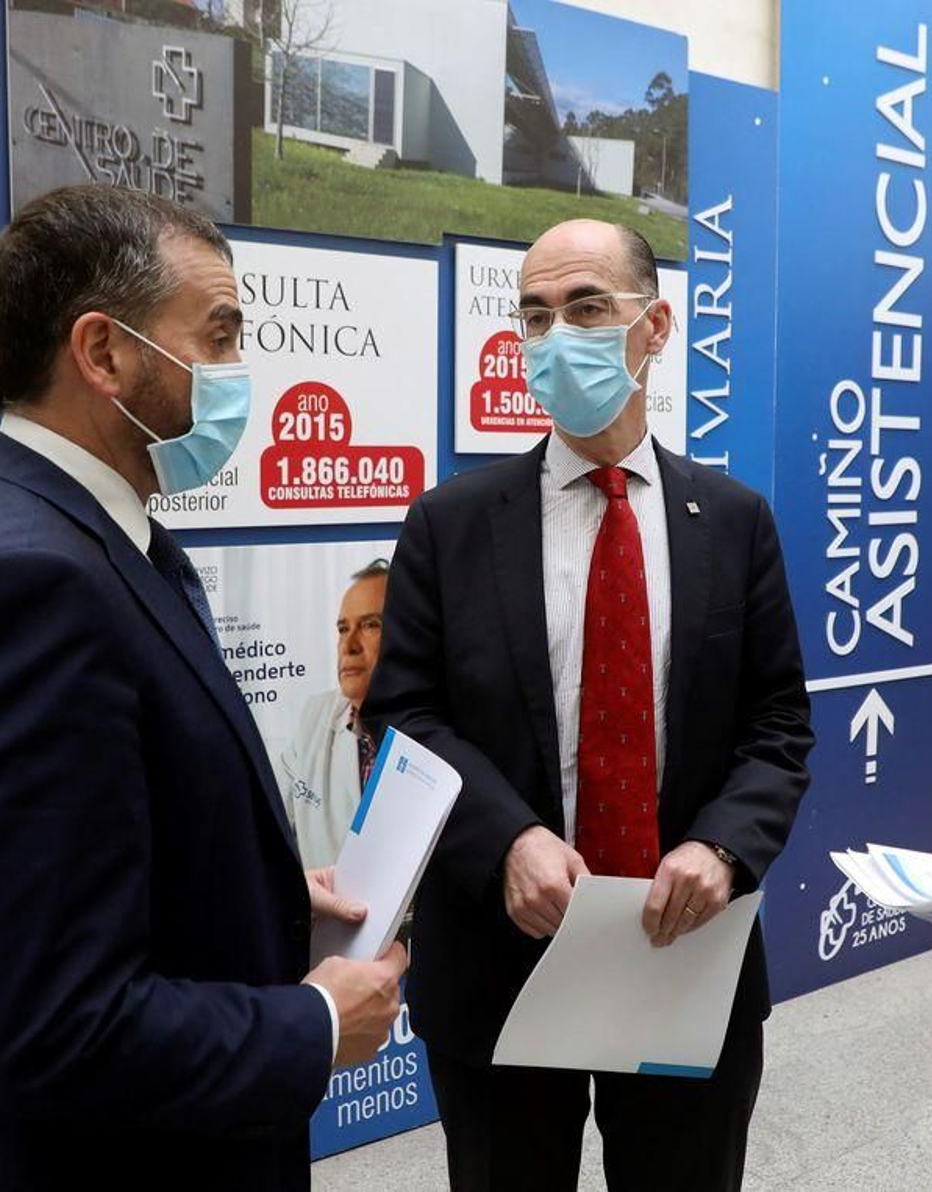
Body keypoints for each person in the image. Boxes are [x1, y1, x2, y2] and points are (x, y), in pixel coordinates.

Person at [0, 185, 407, 1191]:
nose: (239, 371)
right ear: (103, 353)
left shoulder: (64, 531)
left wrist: (263, 898)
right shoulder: (27, 591)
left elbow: (86, 854)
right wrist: (316, 1022)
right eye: (219, 335)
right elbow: (53, 1024)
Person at [367, 218, 814, 1191]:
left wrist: (722, 848)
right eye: (534, 315)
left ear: (655, 327)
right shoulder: (450, 524)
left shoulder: (734, 522)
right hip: (501, 959)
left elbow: (778, 723)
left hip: (683, 953)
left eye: (585, 307)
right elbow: (402, 714)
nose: (555, 335)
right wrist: (505, 841)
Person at [278, 558, 390, 868]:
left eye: (370, 625)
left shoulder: (441, 731)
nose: (348, 646)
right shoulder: (315, 717)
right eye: (343, 629)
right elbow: (269, 831)